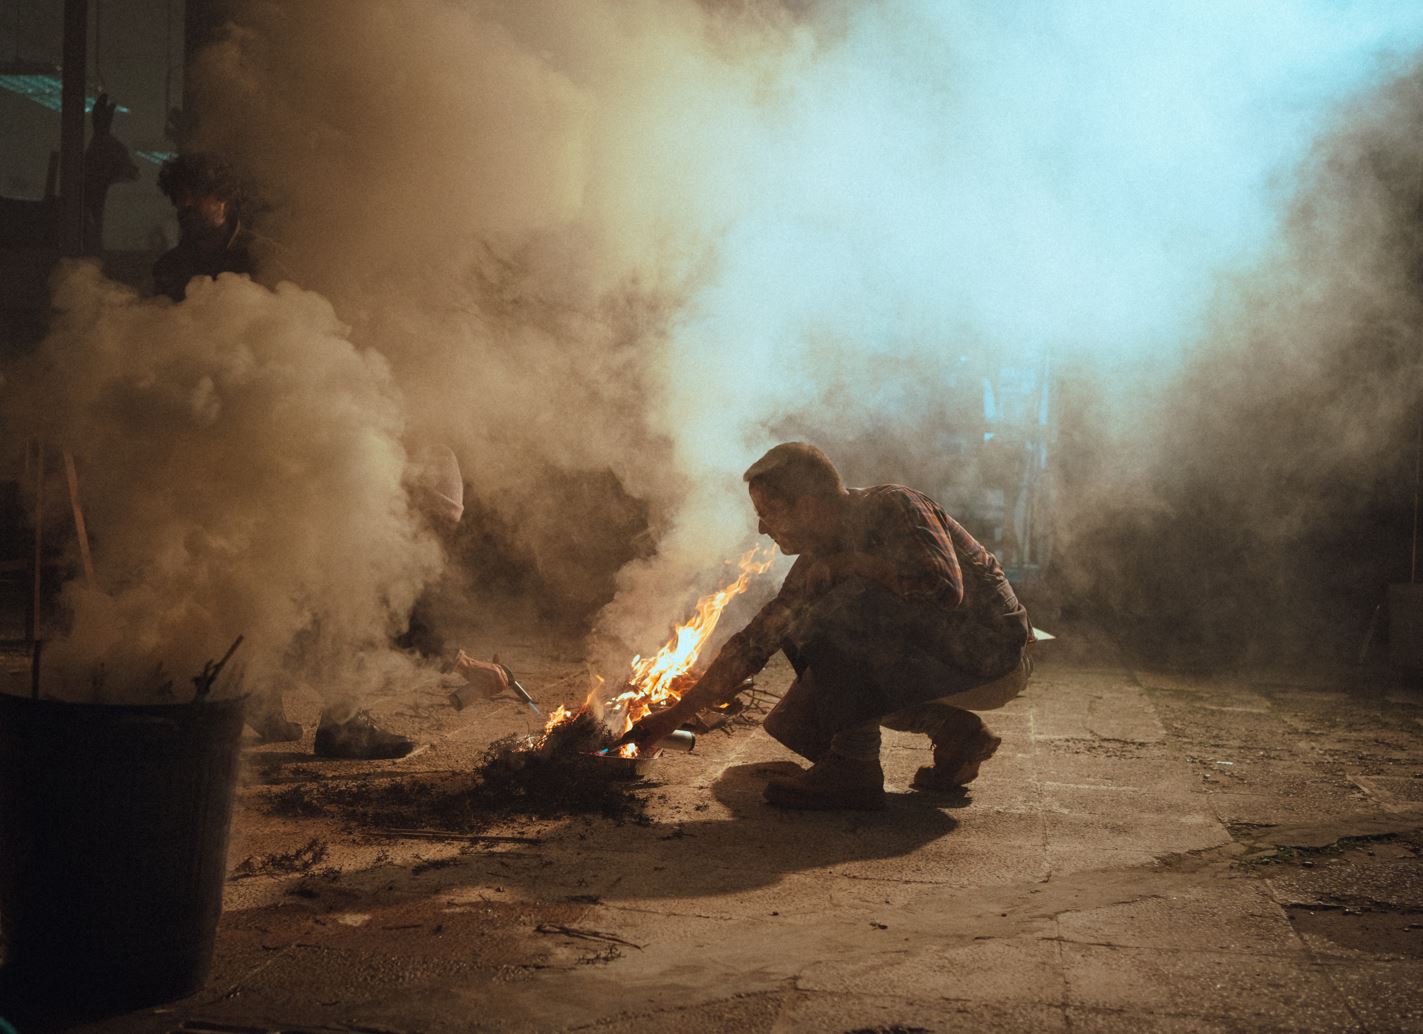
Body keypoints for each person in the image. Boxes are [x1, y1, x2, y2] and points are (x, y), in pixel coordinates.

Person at [627, 442, 1034, 810]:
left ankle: (854, 770)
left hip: (991, 655)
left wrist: (854, 565)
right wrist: (673, 717)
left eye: (768, 513)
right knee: (795, 723)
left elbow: (943, 589)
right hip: (940, 663)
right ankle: (956, 732)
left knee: (835, 609)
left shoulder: (895, 505)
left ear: (807, 506)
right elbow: (756, 642)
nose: (762, 528)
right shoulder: (821, 555)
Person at [152, 152, 259, 302]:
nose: (186, 203)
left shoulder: (262, 257)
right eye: (180, 195)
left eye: (197, 194)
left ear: (223, 197)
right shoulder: (168, 267)